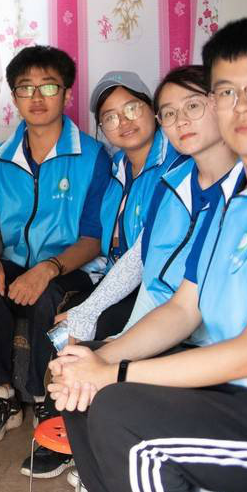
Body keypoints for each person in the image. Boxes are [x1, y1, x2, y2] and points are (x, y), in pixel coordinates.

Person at [50, 16, 247, 492]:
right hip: (237, 387)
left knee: (122, 413)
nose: (242, 105)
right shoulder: (231, 199)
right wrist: (97, 358)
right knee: (83, 391)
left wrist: (114, 372)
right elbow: (183, 308)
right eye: (227, 92)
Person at [0, 45, 110, 481]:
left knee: (50, 294)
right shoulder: (0, 158)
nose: (37, 97)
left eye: (48, 86)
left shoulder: (93, 156)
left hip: (70, 267)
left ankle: (48, 403)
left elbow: (93, 238)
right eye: (25, 88)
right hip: (15, 263)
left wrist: (46, 269)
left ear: (66, 93)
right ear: (14, 97)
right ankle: (1, 394)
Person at [59, 65, 236, 347]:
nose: (181, 121)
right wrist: (106, 332)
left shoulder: (244, 188)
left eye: (193, 106)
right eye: (170, 113)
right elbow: (145, 258)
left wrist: (114, 348)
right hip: (157, 307)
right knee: (66, 339)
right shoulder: (167, 183)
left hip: (206, 335)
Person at [83, 71, 179, 337]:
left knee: (98, 324)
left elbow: (147, 252)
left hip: (157, 286)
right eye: (110, 117)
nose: (123, 121)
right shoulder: (116, 169)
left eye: (132, 108)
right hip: (115, 276)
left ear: (153, 109)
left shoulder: (175, 164)